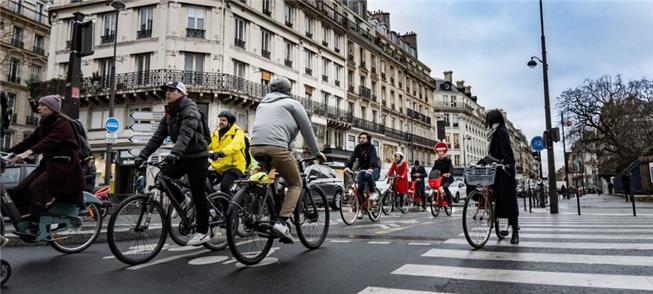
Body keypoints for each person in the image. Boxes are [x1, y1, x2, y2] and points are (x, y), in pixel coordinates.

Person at [250, 77, 326, 243]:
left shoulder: (262, 104)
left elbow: (278, 130)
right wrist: (316, 152)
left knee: (272, 178)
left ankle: (272, 213)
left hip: (255, 147)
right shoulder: (292, 104)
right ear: (288, 90)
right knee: (295, 183)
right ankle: (282, 222)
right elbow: (307, 130)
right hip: (276, 149)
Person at [135, 81, 210, 246]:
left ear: (181, 93)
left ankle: (203, 232)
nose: (167, 93)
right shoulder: (169, 114)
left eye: (171, 90)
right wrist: (143, 155)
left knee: (199, 193)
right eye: (166, 91)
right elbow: (157, 137)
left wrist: (175, 152)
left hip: (198, 157)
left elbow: (186, 134)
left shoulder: (190, 110)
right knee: (163, 177)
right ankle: (183, 200)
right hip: (183, 156)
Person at [9, 95, 84, 241]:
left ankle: (34, 227)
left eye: (42, 105)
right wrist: (9, 152)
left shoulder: (63, 124)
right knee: (18, 190)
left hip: (64, 166)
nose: (38, 107)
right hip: (49, 164)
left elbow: (50, 141)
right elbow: (29, 141)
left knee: (35, 189)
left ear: (52, 108)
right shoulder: (44, 124)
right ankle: (28, 218)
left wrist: (28, 153)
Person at [484, 109, 519, 244]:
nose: (487, 123)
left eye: (489, 120)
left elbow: (507, 151)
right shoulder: (494, 133)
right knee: (498, 199)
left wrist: (508, 165)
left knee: (509, 201)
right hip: (496, 169)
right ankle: (501, 224)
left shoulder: (502, 132)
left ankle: (515, 231)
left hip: (505, 171)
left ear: (493, 120)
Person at [207, 110, 247, 195]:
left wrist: (221, 153)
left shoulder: (238, 132)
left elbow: (235, 145)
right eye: (220, 120)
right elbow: (207, 144)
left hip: (235, 166)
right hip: (219, 167)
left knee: (224, 187)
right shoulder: (216, 133)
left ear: (230, 122)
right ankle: (217, 203)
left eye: (224, 120)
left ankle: (230, 208)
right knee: (204, 182)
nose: (221, 122)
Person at [344, 132, 380, 215]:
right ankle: (362, 208)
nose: (362, 139)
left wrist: (371, 168)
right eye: (360, 138)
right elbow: (352, 157)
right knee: (359, 188)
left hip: (373, 168)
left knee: (368, 176)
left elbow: (373, 157)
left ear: (368, 139)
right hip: (363, 169)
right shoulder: (358, 147)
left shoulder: (371, 147)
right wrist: (348, 167)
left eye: (364, 138)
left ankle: (373, 192)